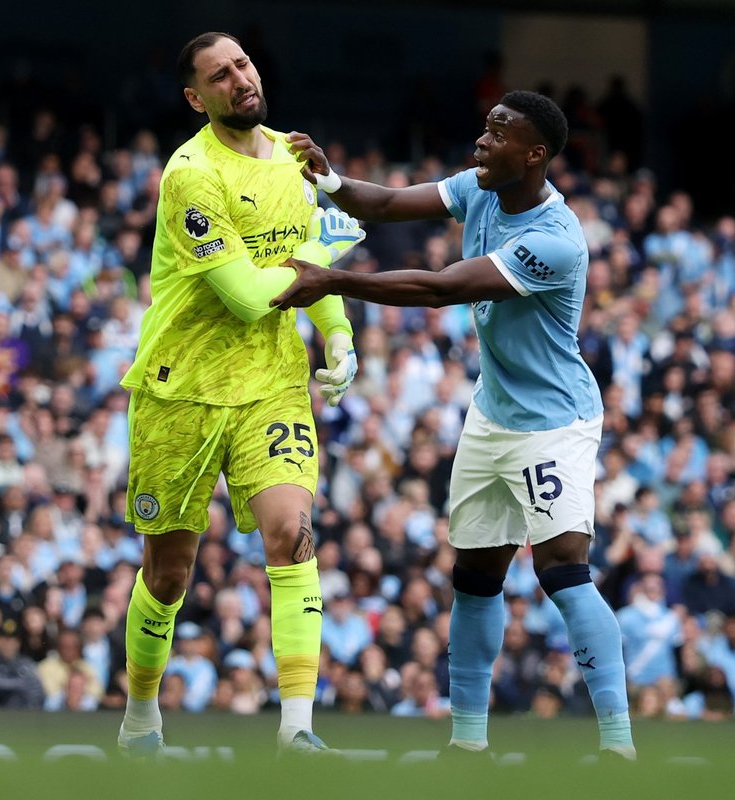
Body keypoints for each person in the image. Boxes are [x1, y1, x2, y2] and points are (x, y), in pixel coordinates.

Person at [271, 90, 635, 759]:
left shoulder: (554, 241)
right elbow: (379, 204)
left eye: (501, 133)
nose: (483, 141)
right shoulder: (479, 189)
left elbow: (442, 289)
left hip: (553, 423)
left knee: (561, 573)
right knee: (473, 577)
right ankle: (468, 744)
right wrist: (327, 180)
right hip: (492, 413)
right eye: (486, 127)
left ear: (535, 154)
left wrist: (332, 281)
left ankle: (619, 744)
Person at [115, 31, 365, 758]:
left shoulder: (293, 154)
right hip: (181, 390)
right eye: (219, 76)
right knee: (168, 575)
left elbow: (304, 270)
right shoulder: (191, 176)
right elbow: (253, 296)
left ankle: (296, 729)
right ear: (197, 98)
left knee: (293, 533)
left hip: (273, 386)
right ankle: (140, 718)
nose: (239, 80)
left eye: (244, 65)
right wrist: (326, 253)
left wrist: (338, 334)